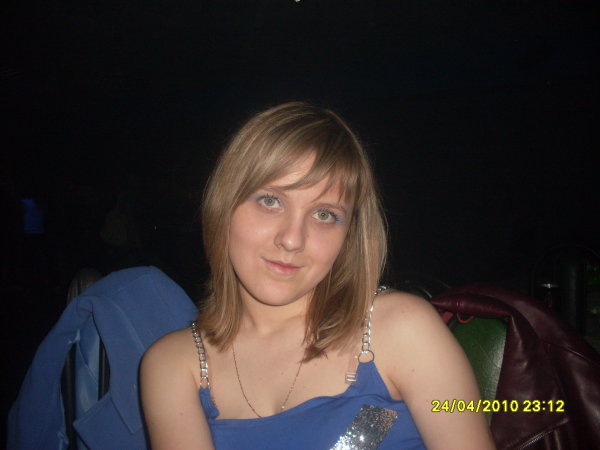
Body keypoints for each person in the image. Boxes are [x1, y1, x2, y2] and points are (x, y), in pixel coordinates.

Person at [140, 102, 496, 449]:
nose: (292, 239)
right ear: (224, 206)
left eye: (324, 214)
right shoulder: (174, 365)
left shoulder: (402, 329)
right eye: (270, 201)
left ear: (348, 235)